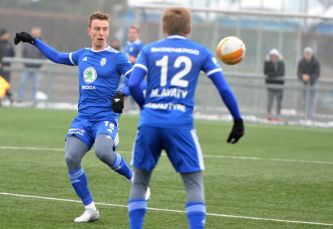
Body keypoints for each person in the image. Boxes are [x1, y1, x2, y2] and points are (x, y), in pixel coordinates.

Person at [14, 11, 147, 223]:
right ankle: (90, 209)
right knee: (71, 158)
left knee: (102, 152)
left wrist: (123, 93)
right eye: (97, 29)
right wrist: (34, 41)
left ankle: (135, 179)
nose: (101, 33)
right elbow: (58, 57)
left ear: (108, 31)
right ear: (89, 31)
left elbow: (136, 79)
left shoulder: (118, 57)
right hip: (83, 119)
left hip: (106, 118)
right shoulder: (82, 54)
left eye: (104, 29)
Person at [127, 7, 244, 229]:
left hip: (150, 122)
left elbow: (133, 83)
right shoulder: (200, 52)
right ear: (189, 28)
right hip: (180, 124)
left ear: (163, 27)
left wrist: (146, 107)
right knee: (193, 183)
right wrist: (237, 119)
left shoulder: (149, 50)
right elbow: (224, 88)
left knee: (140, 182)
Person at [17, 26, 45, 104]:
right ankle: (20, 99)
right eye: (34, 33)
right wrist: (26, 62)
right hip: (27, 67)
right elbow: (23, 53)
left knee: (35, 85)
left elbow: (44, 55)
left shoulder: (43, 43)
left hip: (37, 68)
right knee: (22, 83)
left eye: (37, 33)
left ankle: (33, 100)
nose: (35, 34)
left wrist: (39, 63)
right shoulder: (26, 43)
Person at [297, 47, 320, 119]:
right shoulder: (301, 62)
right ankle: (306, 116)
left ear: (311, 54)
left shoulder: (316, 62)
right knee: (306, 101)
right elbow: (299, 73)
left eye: (309, 53)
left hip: (314, 84)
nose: (307, 55)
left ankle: (311, 117)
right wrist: (302, 76)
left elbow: (317, 74)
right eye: (306, 53)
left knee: (312, 101)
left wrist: (309, 77)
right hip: (305, 84)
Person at [263, 49, 285, 120]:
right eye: (272, 56)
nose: (273, 58)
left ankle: (278, 116)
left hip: (279, 86)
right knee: (270, 102)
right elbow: (266, 72)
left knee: (279, 102)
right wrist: (266, 63)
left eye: (275, 56)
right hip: (270, 86)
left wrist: (272, 75)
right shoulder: (268, 63)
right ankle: (269, 115)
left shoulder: (281, 63)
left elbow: (281, 73)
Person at [0, 29, 15, 104]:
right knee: (1, 83)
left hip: (6, 68)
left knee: (5, 84)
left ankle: (8, 95)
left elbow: (13, 54)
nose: (7, 36)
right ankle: (8, 96)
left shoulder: (9, 44)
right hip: (1, 67)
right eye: (6, 34)